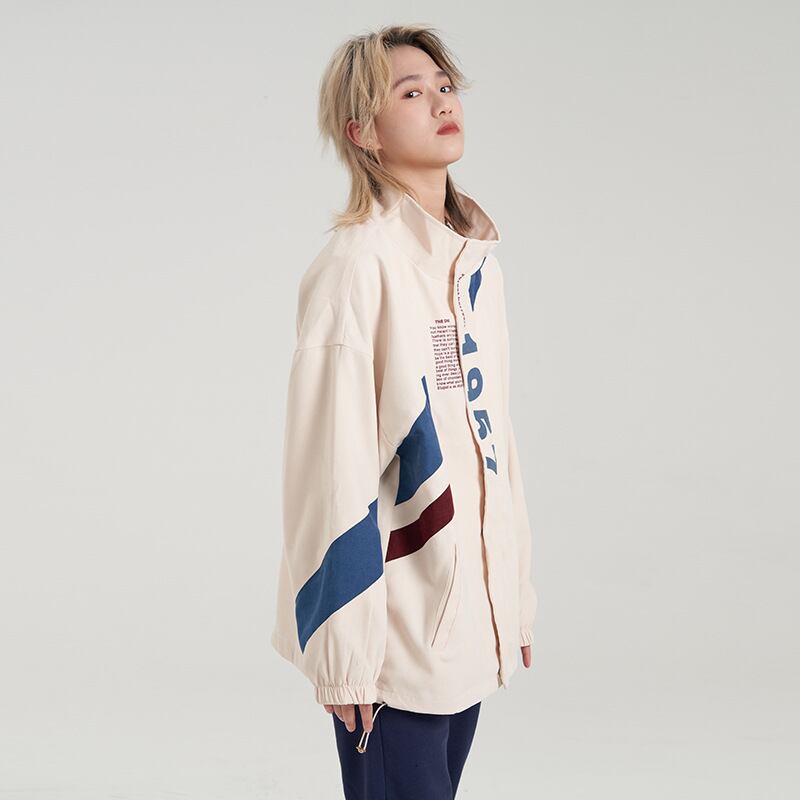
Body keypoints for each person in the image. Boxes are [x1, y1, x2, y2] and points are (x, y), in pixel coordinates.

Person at [270, 23, 538, 799]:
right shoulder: (357, 268)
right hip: (392, 639)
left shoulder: (473, 267)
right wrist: (345, 655)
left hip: (461, 631)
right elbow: (330, 472)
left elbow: (493, 443)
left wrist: (512, 600)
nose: (441, 103)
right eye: (411, 93)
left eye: (444, 87)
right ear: (364, 132)